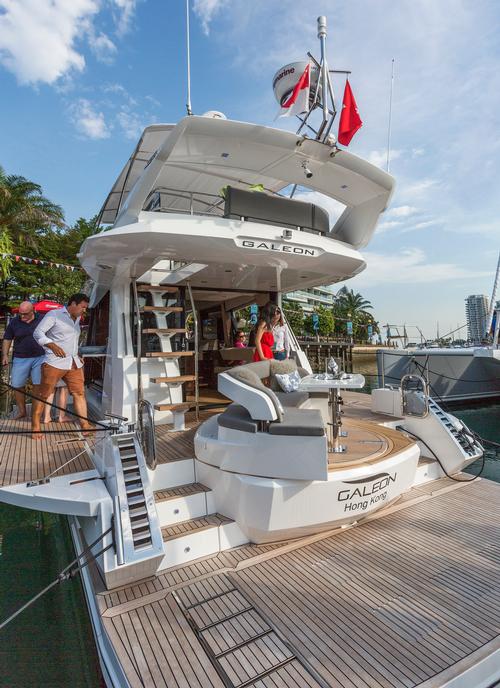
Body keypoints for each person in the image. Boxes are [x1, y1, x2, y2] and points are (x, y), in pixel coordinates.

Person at [31, 293, 91, 439]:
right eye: (83, 307)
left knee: (79, 393)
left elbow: (71, 341)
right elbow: (37, 333)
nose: (84, 310)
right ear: (73, 304)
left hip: (73, 363)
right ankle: (35, 426)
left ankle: (85, 425)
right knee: (43, 394)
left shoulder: (77, 319)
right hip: (54, 362)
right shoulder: (54, 314)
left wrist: (77, 355)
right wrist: (51, 345)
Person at [1, 301, 45, 420]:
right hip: (20, 357)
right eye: (20, 313)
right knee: (17, 385)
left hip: (40, 356)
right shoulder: (15, 321)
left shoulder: (42, 319)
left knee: (38, 384)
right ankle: (22, 411)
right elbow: (7, 338)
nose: (22, 316)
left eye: (25, 314)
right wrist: (5, 355)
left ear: (33, 311)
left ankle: (36, 413)